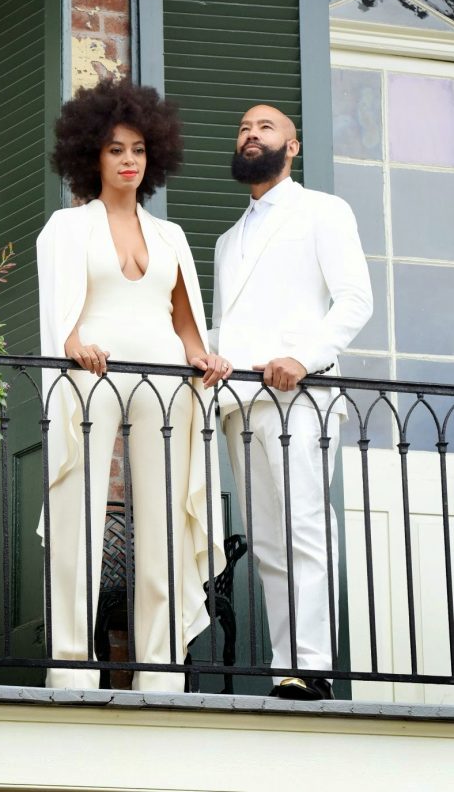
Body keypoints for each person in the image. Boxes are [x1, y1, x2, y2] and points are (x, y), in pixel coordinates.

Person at [37, 78, 231, 692]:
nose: (129, 160)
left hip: (165, 378)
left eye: (139, 150)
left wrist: (204, 357)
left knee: (164, 523)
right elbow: (59, 314)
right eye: (116, 149)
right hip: (91, 372)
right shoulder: (67, 227)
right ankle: (71, 667)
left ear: (154, 157)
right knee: (78, 515)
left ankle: (161, 671)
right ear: (91, 154)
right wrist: (72, 344)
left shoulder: (170, 236)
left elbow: (185, 322)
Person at [210, 104, 373, 700]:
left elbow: (355, 300)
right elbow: (230, 327)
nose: (251, 134)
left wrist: (303, 358)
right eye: (243, 128)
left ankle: (314, 666)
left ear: (293, 147)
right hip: (240, 405)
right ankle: (289, 667)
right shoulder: (228, 240)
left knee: (304, 527)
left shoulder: (323, 211)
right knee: (268, 544)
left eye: (265, 127)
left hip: (301, 395)